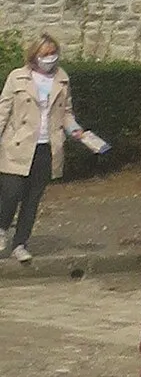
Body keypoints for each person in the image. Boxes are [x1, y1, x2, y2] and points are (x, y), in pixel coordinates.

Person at [0, 36, 109, 263]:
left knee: (32, 199)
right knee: (11, 193)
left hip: (46, 147)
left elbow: (66, 113)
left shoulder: (62, 79)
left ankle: (20, 243)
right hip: (17, 145)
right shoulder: (17, 77)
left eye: (53, 53)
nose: (49, 58)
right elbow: (3, 111)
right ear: (34, 55)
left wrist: (77, 132)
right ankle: (1, 228)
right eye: (44, 53)